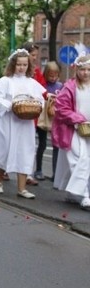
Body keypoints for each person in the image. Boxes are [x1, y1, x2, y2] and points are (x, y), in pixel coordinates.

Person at [0, 49, 46, 199]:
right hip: (9, 121)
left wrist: (35, 104)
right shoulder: (6, 81)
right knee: (5, 148)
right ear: (13, 64)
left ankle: (22, 187)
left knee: (25, 150)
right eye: (19, 64)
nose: (21, 67)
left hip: (25, 123)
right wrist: (10, 105)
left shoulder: (32, 83)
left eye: (24, 65)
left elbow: (40, 100)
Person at [51, 55, 90, 210]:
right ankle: (84, 195)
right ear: (77, 70)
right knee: (80, 160)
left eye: (88, 70)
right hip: (73, 130)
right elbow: (61, 108)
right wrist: (78, 119)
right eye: (83, 70)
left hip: (88, 131)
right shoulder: (70, 87)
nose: (86, 73)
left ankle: (73, 193)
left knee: (86, 161)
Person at [23, 42, 47, 185]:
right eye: (32, 55)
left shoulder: (36, 71)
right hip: (20, 112)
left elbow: (42, 88)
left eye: (36, 56)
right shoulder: (18, 70)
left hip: (33, 113)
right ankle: (4, 169)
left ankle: (28, 173)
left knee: (30, 144)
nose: (34, 58)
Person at [35, 61, 63, 180]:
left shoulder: (60, 86)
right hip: (43, 117)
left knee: (56, 145)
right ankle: (39, 170)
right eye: (50, 75)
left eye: (55, 76)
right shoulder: (42, 86)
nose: (53, 78)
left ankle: (55, 173)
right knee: (42, 144)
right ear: (45, 74)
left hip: (55, 118)